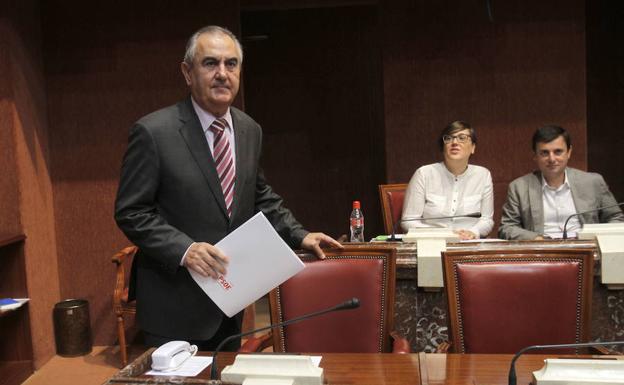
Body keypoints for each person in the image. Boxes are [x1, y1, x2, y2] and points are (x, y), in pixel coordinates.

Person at [114, 25, 341, 351]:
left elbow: (259, 194)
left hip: (229, 303)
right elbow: (131, 211)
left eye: (231, 64)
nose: (222, 73)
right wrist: (185, 249)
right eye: (210, 63)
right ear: (188, 72)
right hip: (173, 305)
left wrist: (299, 234)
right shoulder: (153, 132)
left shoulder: (249, 130)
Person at [499, 125, 624, 240]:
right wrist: (538, 239)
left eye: (558, 152)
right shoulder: (519, 187)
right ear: (535, 156)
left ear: (569, 152)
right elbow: (506, 228)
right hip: (542, 252)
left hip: (586, 250)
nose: (552, 159)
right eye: (544, 153)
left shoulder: (592, 182)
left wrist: (596, 238)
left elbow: (616, 218)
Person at [401, 121, 494, 239]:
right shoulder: (424, 174)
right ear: (443, 147)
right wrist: (442, 234)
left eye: (462, 138)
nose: (454, 142)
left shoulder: (483, 175)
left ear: (473, 148)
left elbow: (487, 220)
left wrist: (473, 232)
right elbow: (408, 221)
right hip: (432, 243)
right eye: (449, 138)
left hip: (469, 244)